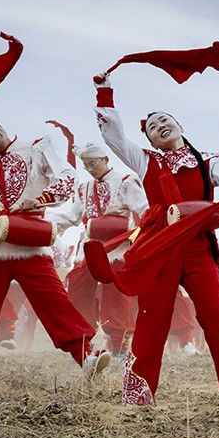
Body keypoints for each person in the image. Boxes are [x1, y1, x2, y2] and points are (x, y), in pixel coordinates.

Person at [93, 72, 219, 405]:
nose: (160, 126)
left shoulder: (207, 160)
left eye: (165, 120)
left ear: (180, 126)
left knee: (215, 313)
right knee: (153, 317)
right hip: (160, 249)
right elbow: (113, 138)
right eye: (153, 127)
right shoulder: (145, 160)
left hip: (198, 249)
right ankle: (138, 392)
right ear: (151, 141)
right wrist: (105, 92)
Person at [0, 107, 106, 393]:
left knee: (55, 303)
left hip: (31, 243)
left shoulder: (38, 147)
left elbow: (67, 176)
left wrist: (43, 198)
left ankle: (87, 357)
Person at [51, 142, 148, 358]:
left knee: (116, 296)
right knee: (76, 289)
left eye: (93, 163)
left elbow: (144, 211)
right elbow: (72, 217)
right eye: (86, 165)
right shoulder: (83, 188)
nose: (90, 168)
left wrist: (134, 231)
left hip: (119, 248)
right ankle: (83, 343)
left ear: (105, 159)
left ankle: (119, 348)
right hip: (90, 247)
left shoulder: (126, 182)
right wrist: (48, 225)